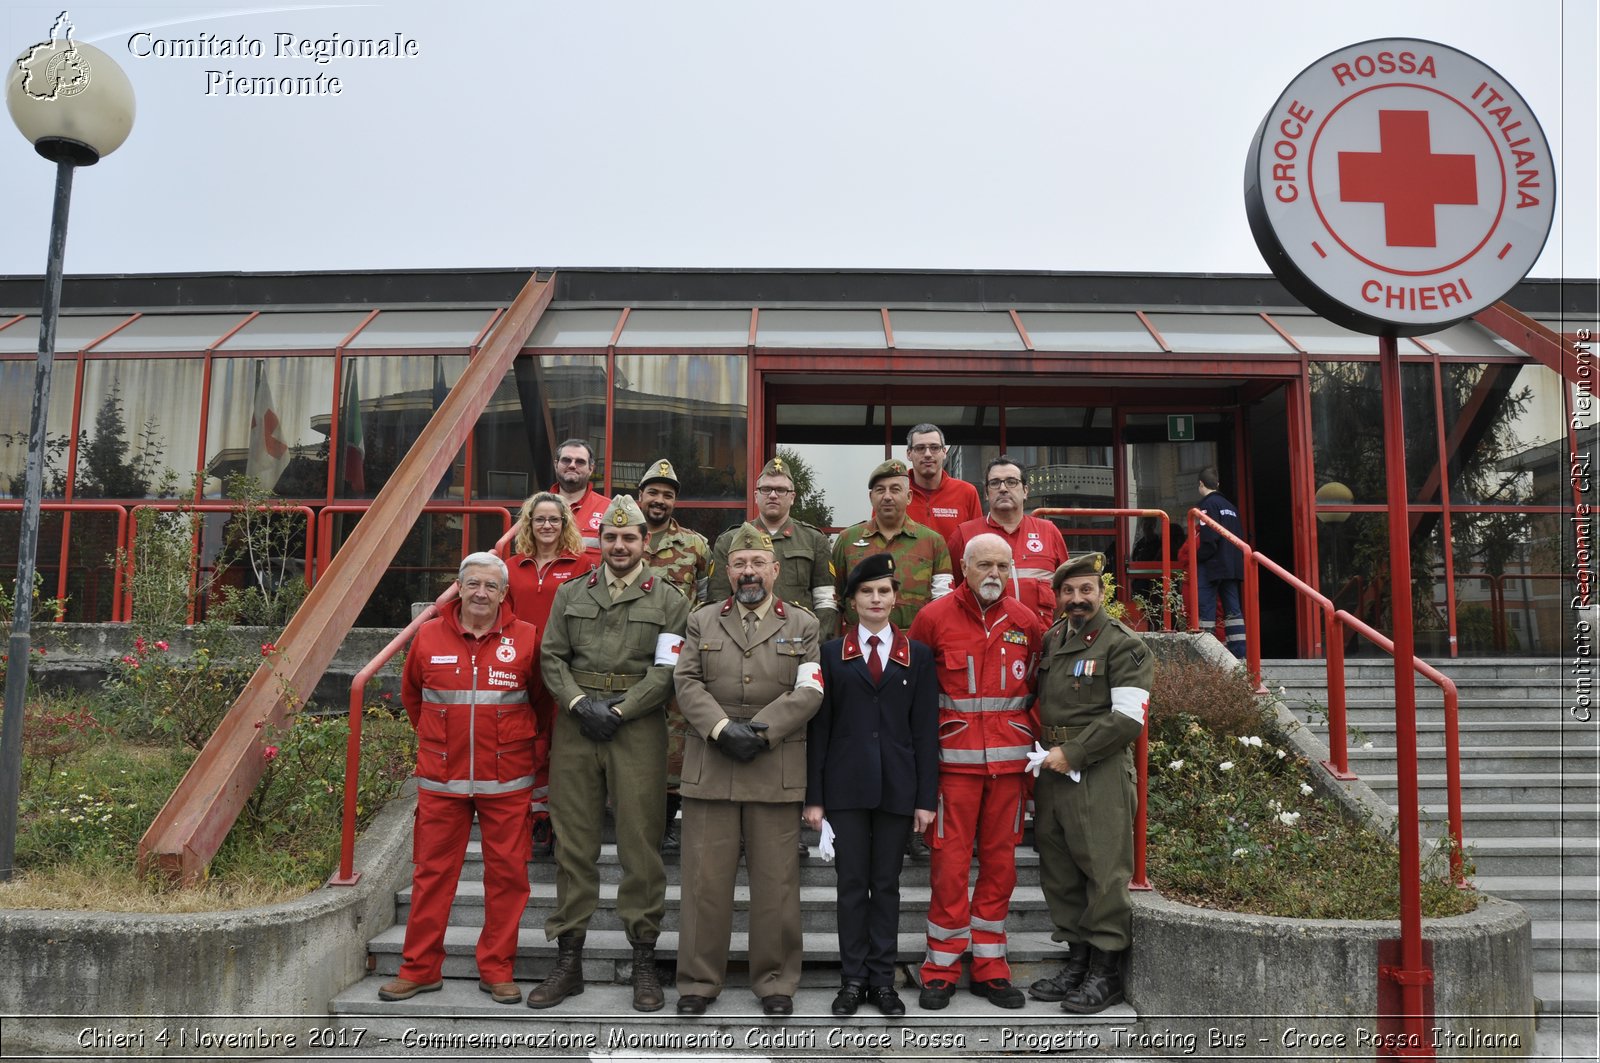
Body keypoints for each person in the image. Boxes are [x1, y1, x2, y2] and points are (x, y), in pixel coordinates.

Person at [529, 494, 690, 1013]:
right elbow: (551, 656)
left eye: (630, 537)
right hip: (577, 727)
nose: (619, 545)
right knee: (573, 845)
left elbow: (668, 671)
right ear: (600, 543)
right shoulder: (572, 592)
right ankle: (568, 961)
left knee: (640, 845)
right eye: (612, 538)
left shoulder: (669, 598)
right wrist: (578, 704)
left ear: (646, 541)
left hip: (637, 727)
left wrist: (619, 711)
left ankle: (643, 959)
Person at [672, 522, 824, 1017]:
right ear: (727, 572)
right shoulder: (702, 621)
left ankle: (776, 982)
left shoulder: (803, 625)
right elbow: (686, 680)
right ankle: (698, 981)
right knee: (703, 884)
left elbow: (810, 691)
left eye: (758, 563)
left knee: (776, 886)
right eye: (739, 564)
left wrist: (758, 731)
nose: (749, 571)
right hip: (711, 767)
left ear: (776, 570)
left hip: (772, 766)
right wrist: (720, 729)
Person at [379, 552, 540, 1006]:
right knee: (431, 876)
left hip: (507, 783)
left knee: (507, 877)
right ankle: (420, 969)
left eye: (491, 586)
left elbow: (541, 707)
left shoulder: (527, 638)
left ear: (504, 593)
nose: (481, 593)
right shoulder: (428, 636)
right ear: (459, 587)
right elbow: (414, 698)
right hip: (441, 781)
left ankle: (497, 969)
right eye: (473, 584)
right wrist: (440, 741)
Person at [908, 533, 1044, 1011]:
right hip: (952, 770)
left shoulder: (1027, 622)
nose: (994, 574)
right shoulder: (932, 619)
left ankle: (990, 966)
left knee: (1001, 867)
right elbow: (915, 696)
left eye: (1003, 566)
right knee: (948, 868)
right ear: (963, 567)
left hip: (1008, 769)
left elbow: (1036, 696)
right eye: (984, 564)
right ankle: (940, 968)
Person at [804, 553, 938, 1018]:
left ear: (896, 599)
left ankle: (882, 981)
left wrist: (925, 799)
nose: (876, 599)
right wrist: (815, 798)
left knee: (887, 886)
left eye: (884, 591)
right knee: (850, 885)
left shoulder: (916, 656)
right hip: (845, 790)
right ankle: (852, 979)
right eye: (867, 592)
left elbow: (925, 730)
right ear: (851, 603)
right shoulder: (830, 654)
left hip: (898, 791)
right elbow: (819, 730)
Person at [1028, 552, 1153, 1014]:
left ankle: (1105, 974)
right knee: (1059, 872)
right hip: (1052, 772)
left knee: (1104, 873)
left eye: (1086, 590)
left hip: (1096, 771)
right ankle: (1076, 962)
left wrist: (1073, 753)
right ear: (1058, 596)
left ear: (1102, 594)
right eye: (1068, 591)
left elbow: (1128, 718)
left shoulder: (1124, 645)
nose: (1077, 599)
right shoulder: (1053, 639)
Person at [503, 491, 599, 858]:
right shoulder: (510, 566)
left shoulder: (581, 565)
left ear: (565, 524)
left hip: (566, 669)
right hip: (521, 669)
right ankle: (538, 816)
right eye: (539, 519)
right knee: (532, 744)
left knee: (565, 747)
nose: (546, 525)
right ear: (528, 524)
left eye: (554, 520)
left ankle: (569, 819)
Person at [637, 458, 710, 852]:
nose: (660, 500)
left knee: (675, 739)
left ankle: (666, 826)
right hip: (629, 654)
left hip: (678, 654)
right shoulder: (624, 537)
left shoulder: (695, 544)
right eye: (653, 493)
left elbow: (708, 598)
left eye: (667, 495)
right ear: (641, 496)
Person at [707, 455, 838, 637]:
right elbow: (717, 602)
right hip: (744, 640)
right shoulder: (729, 541)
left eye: (781, 490)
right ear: (756, 495)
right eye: (766, 489)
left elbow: (825, 602)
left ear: (792, 497)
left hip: (798, 639)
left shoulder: (814, 540)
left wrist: (814, 642)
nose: (773, 495)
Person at [946, 455, 1069, 629]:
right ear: (986, 494)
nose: (1003, 488)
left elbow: (1066, 588)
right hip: (986, 643)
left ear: (1025, 491)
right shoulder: (964, 534)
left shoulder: (1049, 532)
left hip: (1041, 644)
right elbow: (952, 594)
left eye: (1011, 482)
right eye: (995, 483)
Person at [832, 458, 953, 633]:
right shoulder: (847, 540)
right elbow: (836, 600)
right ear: (871, 497)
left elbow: (943, 602)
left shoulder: (932, 542)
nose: (887, 497)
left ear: (909, 497)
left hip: (914, 646)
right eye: (880, 490)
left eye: (895, 490)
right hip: (859, 647)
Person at [1194, 466, 1246, 658]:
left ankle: (1207, 653)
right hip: (1231, 566)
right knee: (1233, 610)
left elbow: (1209, 538)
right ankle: (1239, 654)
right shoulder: (1231, 507)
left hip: (1212, 565)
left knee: (1206, 609)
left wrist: (1198, 557)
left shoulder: (1207, 506)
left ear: (1201, 484)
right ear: (1218, 484)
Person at [904, 423, 981, 546]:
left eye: (934, 447)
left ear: (944, 452)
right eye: (920, 448)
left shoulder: (967, 492)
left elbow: (977, 543)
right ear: (909, 454)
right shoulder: (894, 492)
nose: (928, 454)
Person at [551, 438, 610, 552]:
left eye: (580, 462)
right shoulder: (535, 508)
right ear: (556, 464)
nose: (572, 465)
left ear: (591, 469)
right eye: (566, 460)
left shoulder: (609, 509)